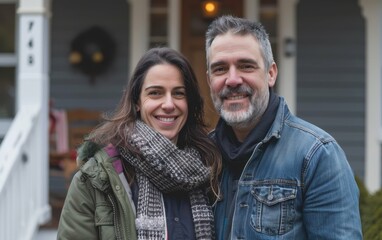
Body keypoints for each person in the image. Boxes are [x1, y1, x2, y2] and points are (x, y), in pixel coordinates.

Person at [205, 15, 362, 239]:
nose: (232, 80)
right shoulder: (203, 156)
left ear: (271, 73)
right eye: (220, 69)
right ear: (210, 79)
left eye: (246, 66)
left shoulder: (317, 155)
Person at [57, 47, 221, 240]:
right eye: (155, 93)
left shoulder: (210, 170)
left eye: (178, 93)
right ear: (137, 102)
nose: (168, 104)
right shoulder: (96, 180)